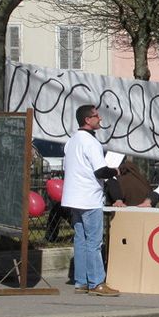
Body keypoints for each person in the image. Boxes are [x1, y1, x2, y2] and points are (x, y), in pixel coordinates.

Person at [62, 104, 120, 296]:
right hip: (89, 198)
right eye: (96, 116)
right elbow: (101, 171)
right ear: (87, 120)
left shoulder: (71, 141)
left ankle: (81, 281)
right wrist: (115, 171)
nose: (100, 118)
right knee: (94, 241)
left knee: (80, 240)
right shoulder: (91, 142)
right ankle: (96, 282)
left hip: (73, 197)